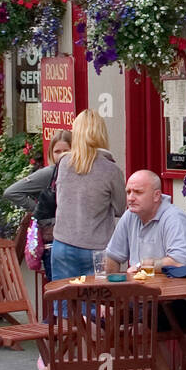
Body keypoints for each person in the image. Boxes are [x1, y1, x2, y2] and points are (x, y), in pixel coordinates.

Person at [99, 170, 186, 370]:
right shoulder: (130, 217)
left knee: (144, 320)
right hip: (144, 299)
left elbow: (179, 262)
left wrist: (147, 264)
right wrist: (110, 295)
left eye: (138, 192)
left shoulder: (174, 219)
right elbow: (113, 257)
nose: (130, 198)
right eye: (128, 192)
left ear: (157, 195)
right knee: (106, 318)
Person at [50, 111, 125, 281]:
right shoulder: (111, 170)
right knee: (96, 305)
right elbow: (121, 208)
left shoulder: (63, 163)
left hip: (63, 243)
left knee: (63, 304)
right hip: (96, 248)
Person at [3, 129, 72, 281]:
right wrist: (40, 210)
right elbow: (12, 192)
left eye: (66, 151)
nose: (61, 155)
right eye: (57, 151)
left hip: (74, 242)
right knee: (60, 296)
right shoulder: (49, 173)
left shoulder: (77, 172)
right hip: (53, 243)